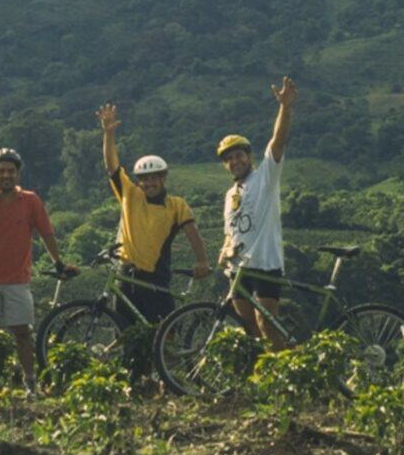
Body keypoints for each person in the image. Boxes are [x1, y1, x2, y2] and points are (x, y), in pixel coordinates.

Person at [0, 148, 73, 396]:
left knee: (22, 334)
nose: (6, 175)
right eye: (1, 171)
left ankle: (30, 383)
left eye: (11, 171)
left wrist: (57, 261)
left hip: (18, 279)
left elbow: (46, 232)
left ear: (18, 174)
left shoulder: (30, 201)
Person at [97, 104, 210, 326]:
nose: (150, 183)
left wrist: (202, 260)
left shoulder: (176, 205)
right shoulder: (131, 194)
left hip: (156, 277)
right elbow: (112, 166)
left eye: (155, 177)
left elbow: (191, 232)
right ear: (140, 181)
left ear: (163, 178)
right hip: (126, 274)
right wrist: (108, 133)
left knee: (164, 336)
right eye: (145, 179)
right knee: (125, 334)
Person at [217, 76, 297, 350]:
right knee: (249, 328)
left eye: (238, 155)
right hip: (239, 269)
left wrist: (284, 107)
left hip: (265, 263)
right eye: (228, 159)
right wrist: (224, 249)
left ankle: (287, 371)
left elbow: (278, 140)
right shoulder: (230, 195)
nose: (234, 161)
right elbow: (232, 230)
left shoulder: (264, 177)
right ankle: (261, 379)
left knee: (267, 324)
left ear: (248, 157)